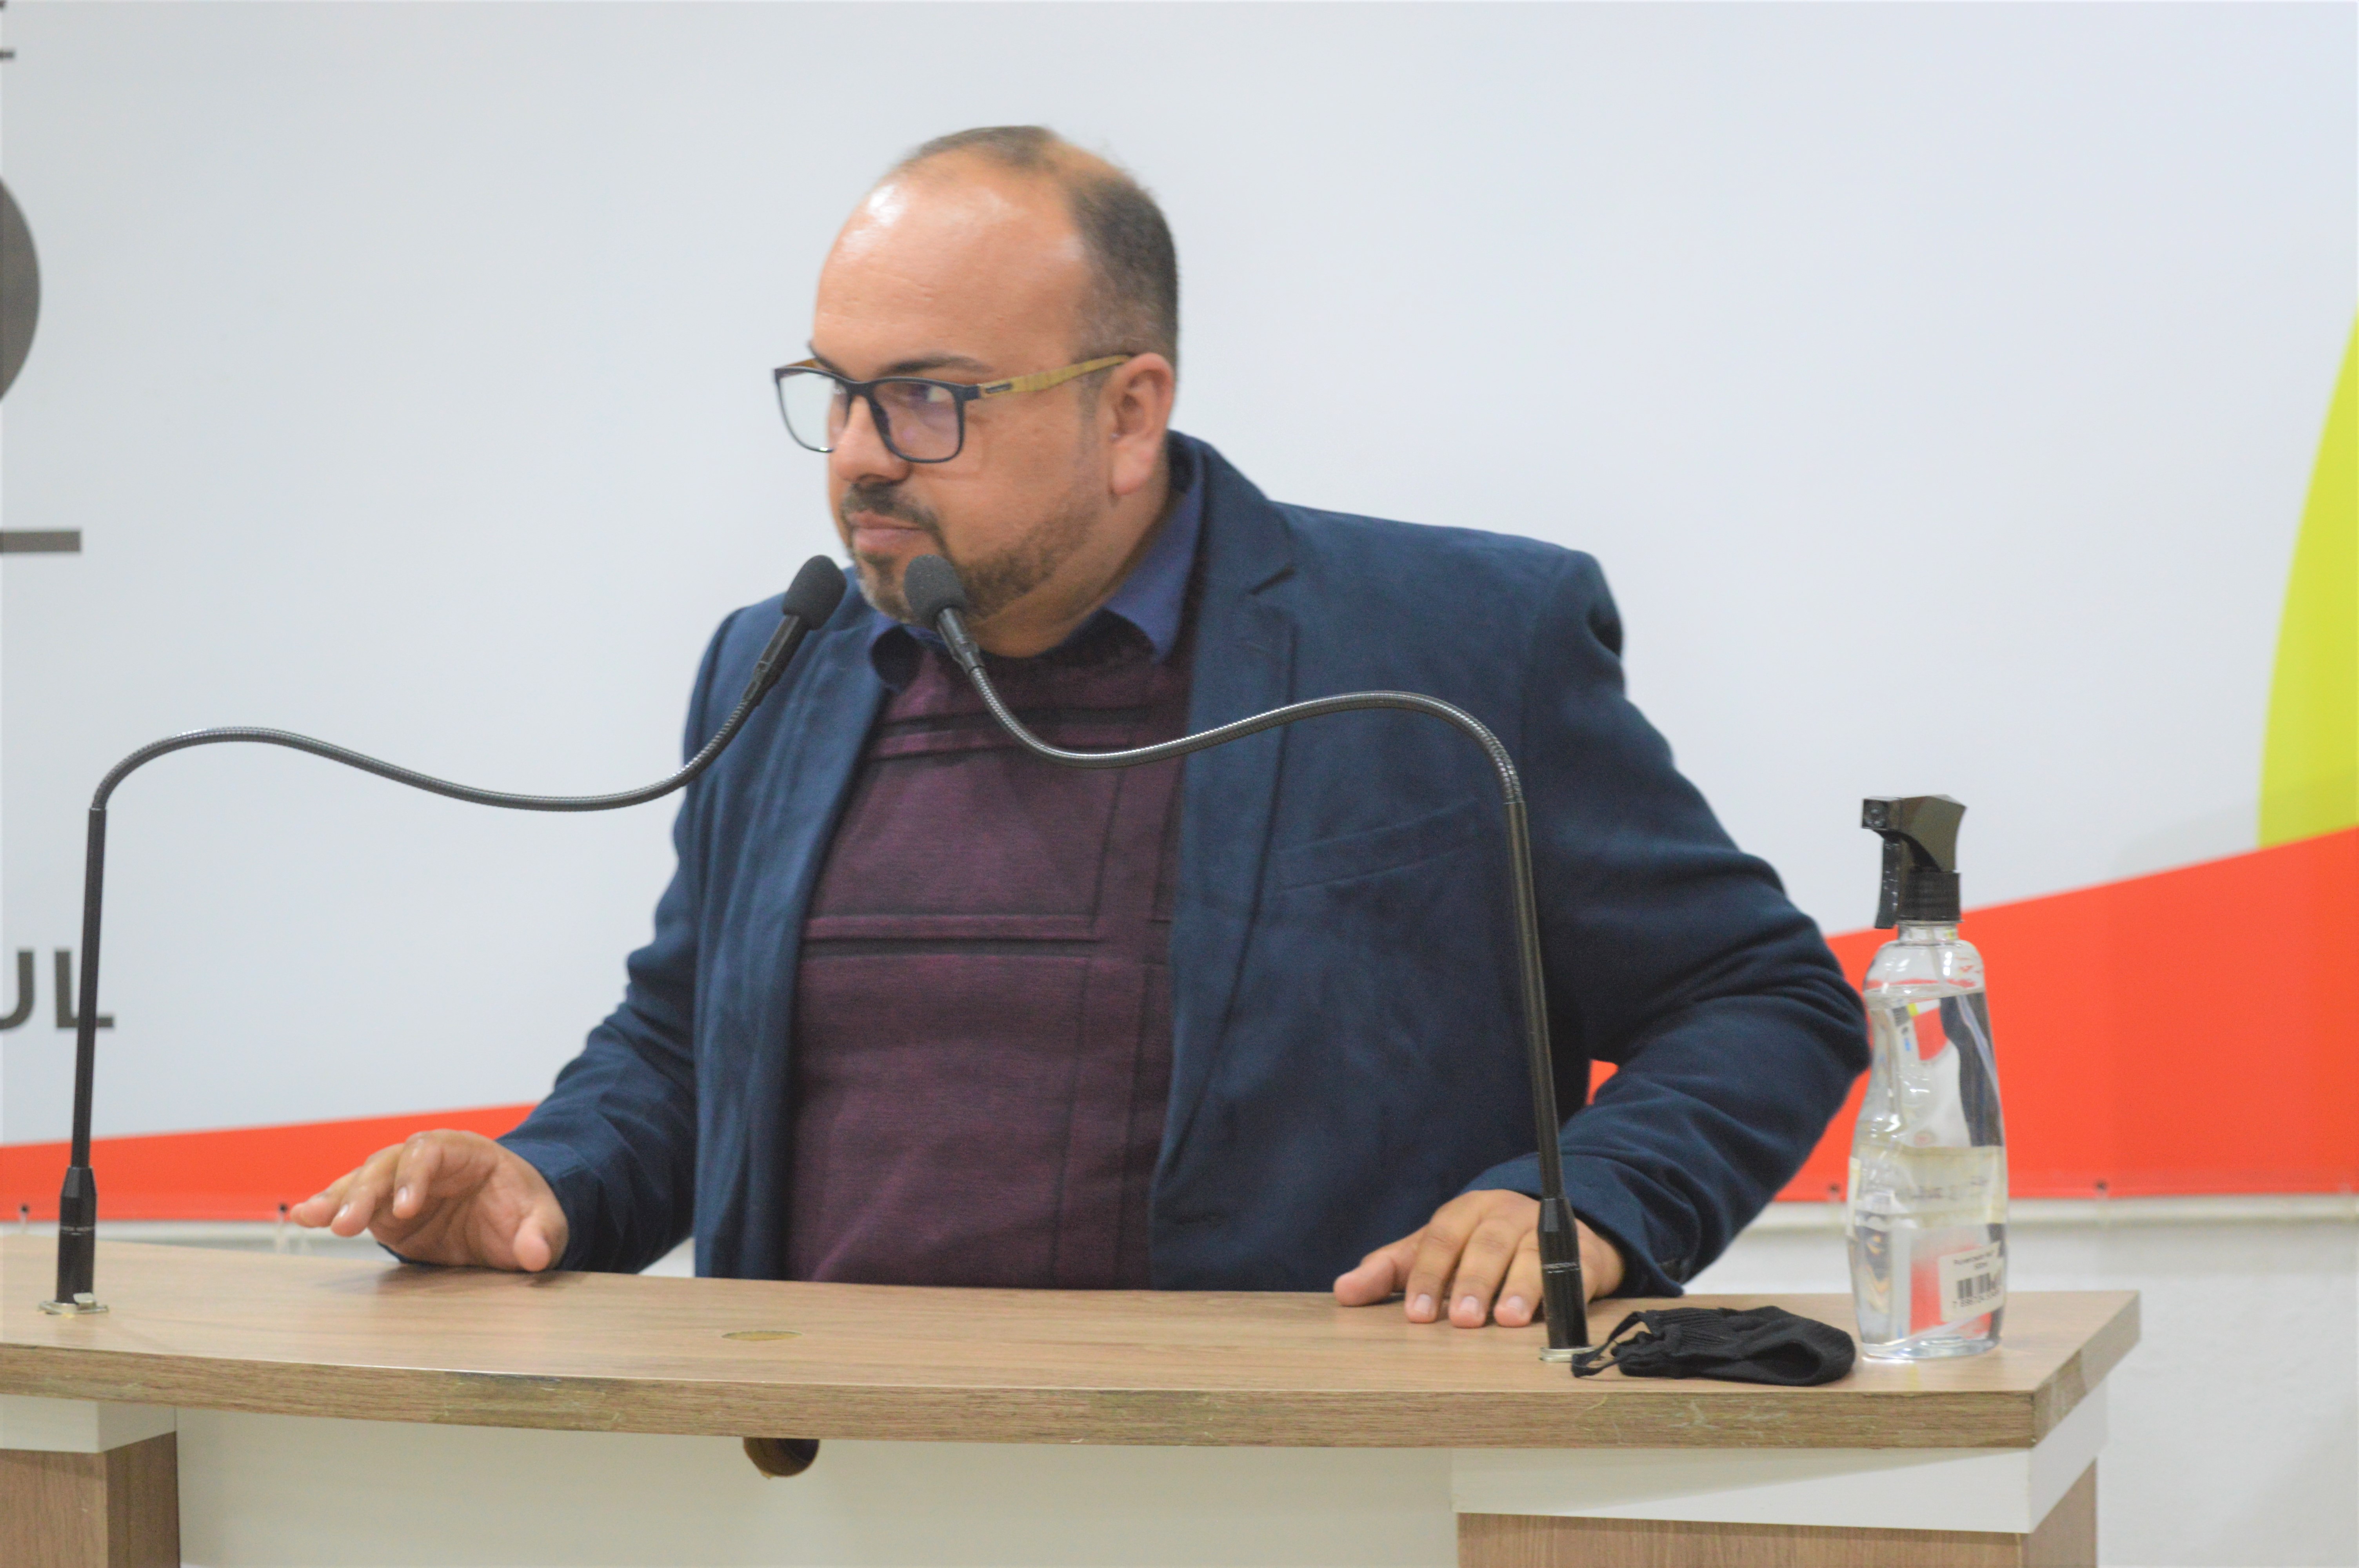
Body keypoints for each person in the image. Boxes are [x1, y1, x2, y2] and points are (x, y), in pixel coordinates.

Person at [294, 127, 1865, 1333]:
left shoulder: (1447, 648)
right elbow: (686, 1045)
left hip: (1287, 1490)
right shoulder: (782, 666)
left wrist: (1585, 1202)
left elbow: (1762, 999)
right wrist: (543, 1176)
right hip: (818, 1482)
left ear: (1128, 411)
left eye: (928, 400)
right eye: (836, 392)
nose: (858, 457)